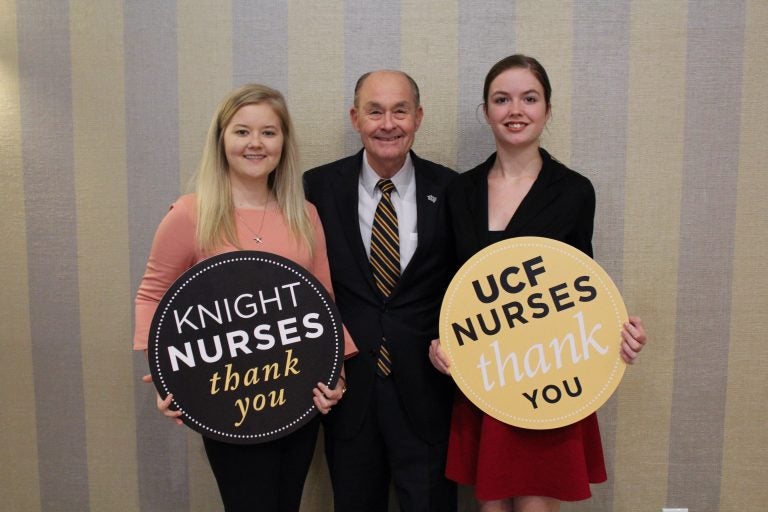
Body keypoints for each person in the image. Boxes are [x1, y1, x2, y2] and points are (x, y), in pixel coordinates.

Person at [428, 55, 648, 512]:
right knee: (490, 506)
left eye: (530, 98)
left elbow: (582, 286)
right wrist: (438, 340)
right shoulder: (459, 192)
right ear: (485, 110)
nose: (515, 110)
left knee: (536, 507)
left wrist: (618, 336)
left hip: (550, 374)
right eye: (501, 99)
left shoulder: (573, 190)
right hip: (485, 373)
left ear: (548, 110)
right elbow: (448, 284)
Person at [133, 83, 356, 512]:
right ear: (222, 139)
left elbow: (323, 298)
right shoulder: (191, 213)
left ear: (284, 142)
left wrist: (337, 375)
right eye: (242, 131)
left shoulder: (304, 214)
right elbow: (153, 293)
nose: (256, 143)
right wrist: (167, 374)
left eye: (269, 132)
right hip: (227, 399)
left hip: (297, 394)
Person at [303, 70, 458, 512]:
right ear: (355, 118)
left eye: (400, 110)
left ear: (419, 117)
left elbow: (469, 280)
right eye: (374, 111)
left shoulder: (452, 190)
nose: (387, 123)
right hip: (348, 391)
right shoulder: (316, 189)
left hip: (428, 392)